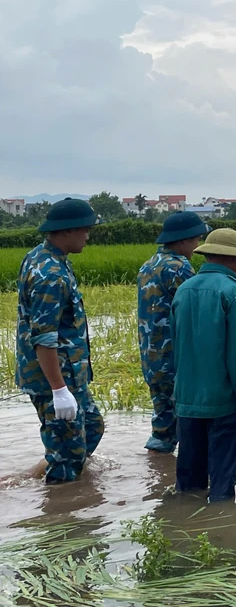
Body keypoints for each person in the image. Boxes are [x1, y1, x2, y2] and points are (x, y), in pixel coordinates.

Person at [171, 228, 236, 502]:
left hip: (187, 402)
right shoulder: (234, 291)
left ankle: (186, 530)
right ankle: (222, 533)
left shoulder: (184, 289)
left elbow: (178, 346)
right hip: (224, 405)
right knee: (222, 488)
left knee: (188, 484)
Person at [15, 198, 104, 483]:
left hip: (69, 376)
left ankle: (36, 474)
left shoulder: (46, 258)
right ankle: (61, 515)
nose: (88, 236)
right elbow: (44, 336)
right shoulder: (50, 274)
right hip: (54, 378)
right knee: (68, 458)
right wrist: (58, 390)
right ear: (68, 230)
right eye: (85, 230)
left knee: (92, 427)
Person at [136, 211, 211, 453]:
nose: (198, 245)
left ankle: (158, 474)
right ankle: (174, 478)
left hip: (152, 357)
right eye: (196, 239)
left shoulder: (147, 265)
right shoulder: (179, 267)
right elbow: (198, 309)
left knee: (163, 422)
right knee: (188, 422)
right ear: (183, 240)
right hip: (175, 357)